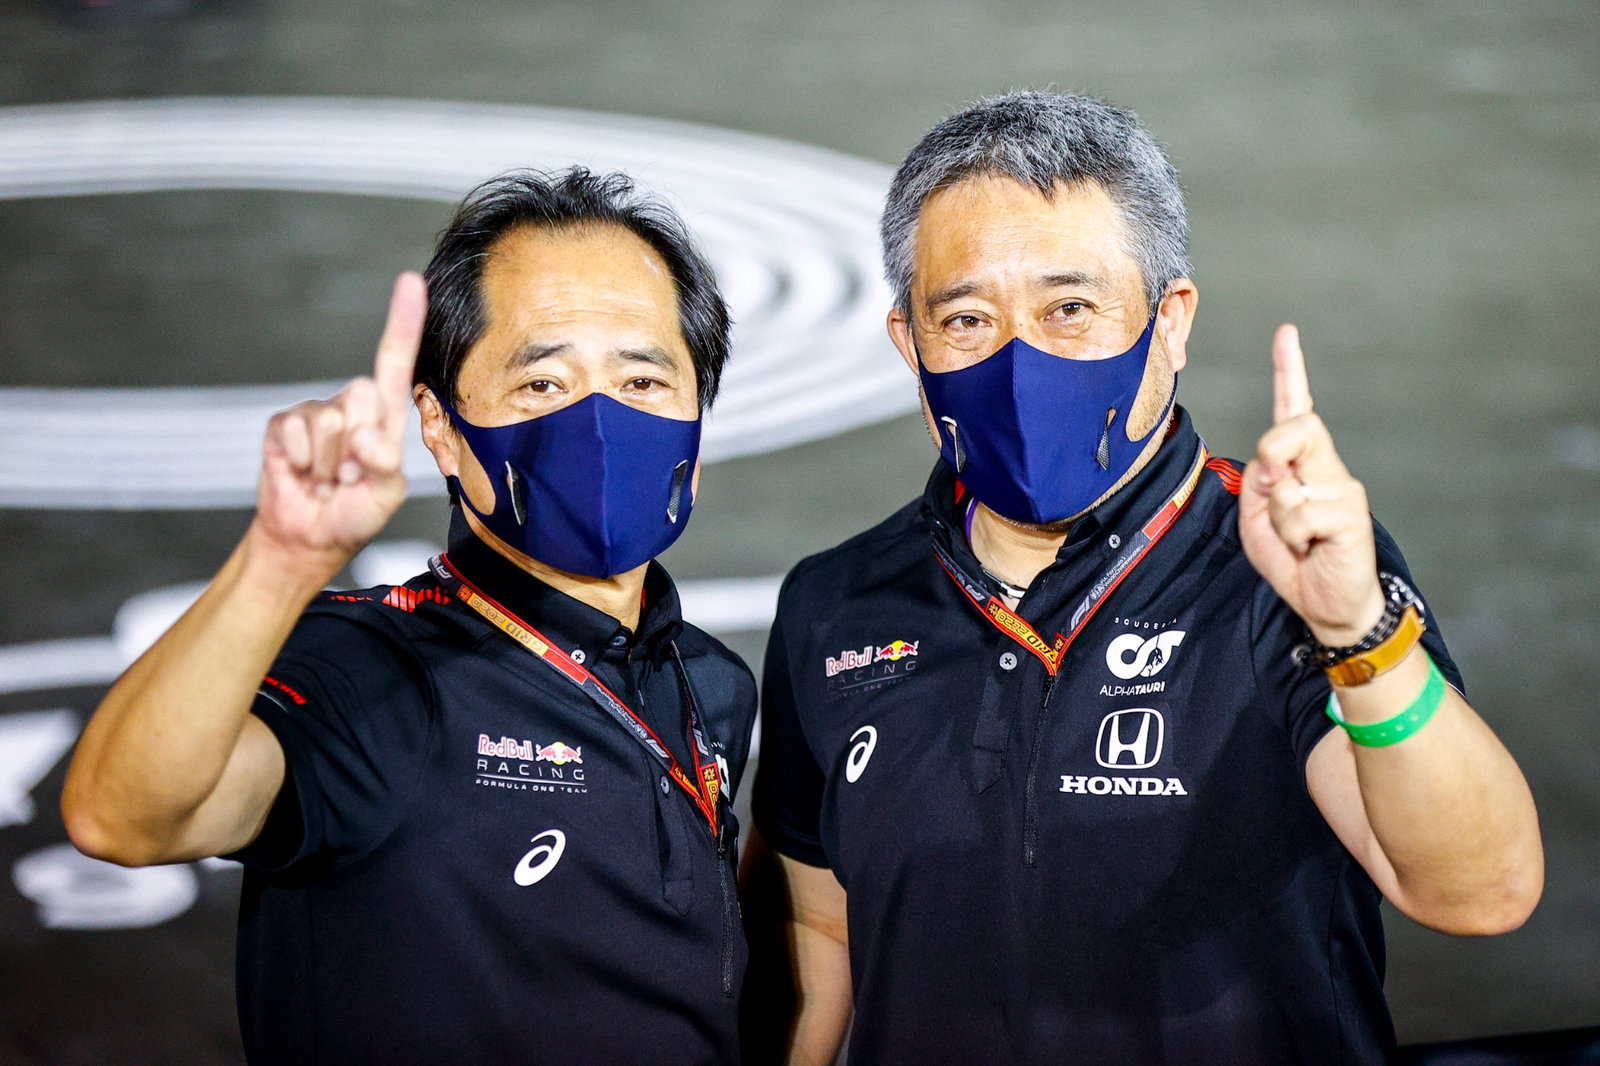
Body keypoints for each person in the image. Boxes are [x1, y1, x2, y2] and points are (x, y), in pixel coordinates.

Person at [744, 91, 1543, 1065]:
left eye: (1069, 308)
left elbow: (1480, 891)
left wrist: (1358, 629)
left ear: (1169, 323)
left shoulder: (1281, 572)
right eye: (964, 318)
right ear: (908, 345)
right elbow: (817, 932)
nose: (1017, 357)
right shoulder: (835, 601)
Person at [63, 168, 756, 1065]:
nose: (599, 421)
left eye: (644, 380)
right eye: (542, 384)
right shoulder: (366, 667)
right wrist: (280, 563)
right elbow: (124, 820)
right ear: (440, 424)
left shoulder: (711, 685)